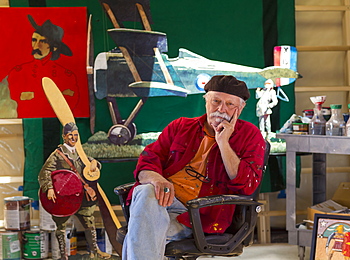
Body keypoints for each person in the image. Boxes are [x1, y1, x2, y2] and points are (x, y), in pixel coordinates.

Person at [121, 75, 266, 259]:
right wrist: (156, 178)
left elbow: (247, 186)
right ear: (206, 101)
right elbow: (149, 159)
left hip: (198, 216)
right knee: (145, 191)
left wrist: (223, 143)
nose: (221, 109)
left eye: (230, 105)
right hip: (161, 201)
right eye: (216, 101)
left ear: (240, 109)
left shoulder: (250, 136)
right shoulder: (180, 126)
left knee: (139, 232)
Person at [38, 122, 110, 260]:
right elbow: (45, 171)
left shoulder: (79, 152)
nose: (73, 138)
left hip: (80, 195)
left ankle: (94, 252)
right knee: (61, 226)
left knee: (89, 222)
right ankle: (63, 255)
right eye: (70, 135)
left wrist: (95, 163)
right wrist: (49, 188)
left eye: (75, 135)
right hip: (63, 198)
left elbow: (89, 163)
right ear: (64, 137)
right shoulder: (57, 155)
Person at [6, 15, 79, 118]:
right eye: (34, 40)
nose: (36, 46)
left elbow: (69, 103)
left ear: (54, 47)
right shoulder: (18, 72)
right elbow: (12, 101)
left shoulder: (66, 75)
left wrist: (33, 96)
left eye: (43, 42)